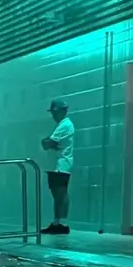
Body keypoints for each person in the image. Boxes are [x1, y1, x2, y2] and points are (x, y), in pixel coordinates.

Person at [39, 98, 75, 235]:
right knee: (56, 194)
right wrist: (48, 142)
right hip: (55, 165)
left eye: (55, 112)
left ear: (63, 111)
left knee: (61, 193)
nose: (53, 115)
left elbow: (48, 143)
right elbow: (46, 143)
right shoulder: (60, 125)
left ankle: (62, 223)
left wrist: (48, 142)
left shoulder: (65, 125)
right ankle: (57, 222)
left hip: (61, 165)